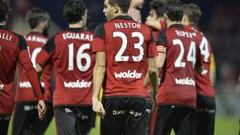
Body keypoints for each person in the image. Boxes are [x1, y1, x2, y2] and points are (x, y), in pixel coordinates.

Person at [91, 0, 158, 134]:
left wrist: (94, 98)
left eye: (106, 7)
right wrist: (156, 92)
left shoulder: (102, 29)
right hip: (138, 98)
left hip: (113, 96)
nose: (103, 11)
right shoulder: (146, 30)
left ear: (115, 8)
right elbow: (153, 70)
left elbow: (100, 66)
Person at [35, 0, 95, 135]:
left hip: (64, 102)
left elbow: (37, 68)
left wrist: (40, 92)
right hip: (87, 101)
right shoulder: (94, 39)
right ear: (83, 15)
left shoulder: (56, 40)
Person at [0, 0, 46, 135]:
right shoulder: (17, 40)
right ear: (7, 16)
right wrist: (40, 97)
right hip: (5, 103)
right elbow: (29, 70)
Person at [154, 2, 200, 135]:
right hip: (189, 97)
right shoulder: (194, 37)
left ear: (165, 16)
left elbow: (158, 64)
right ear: (181, 16)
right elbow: (199, 68)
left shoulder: (165, 34)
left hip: (169, 94)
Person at [12, 8, 54, 135]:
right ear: (42, 23)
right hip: (45, 97)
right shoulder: (50, 44)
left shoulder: (19, 41)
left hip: (23, 95)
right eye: (47, 22)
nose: (48, 25)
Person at [182, 3, 216, 135]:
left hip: (195, 96)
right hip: (208, 95)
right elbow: (211, 70)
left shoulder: (187, 37)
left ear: (185, 18)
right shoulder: (204, 38)